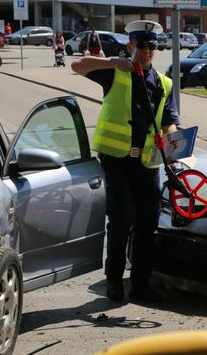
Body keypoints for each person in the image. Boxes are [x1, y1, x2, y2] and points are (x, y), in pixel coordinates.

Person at [71, 20, 180, 303]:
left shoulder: (164, 84)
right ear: (130, 46)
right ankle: (114, 282)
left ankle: (141, 285)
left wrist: (175, 145)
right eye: (141, 45)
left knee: (148, 226)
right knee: (120, 221)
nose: (146, 51)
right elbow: (77, 66)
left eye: (152, 46)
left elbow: (170, 122)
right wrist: (113, 61)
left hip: (147, 163)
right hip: (116, 160)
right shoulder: (115, 73)